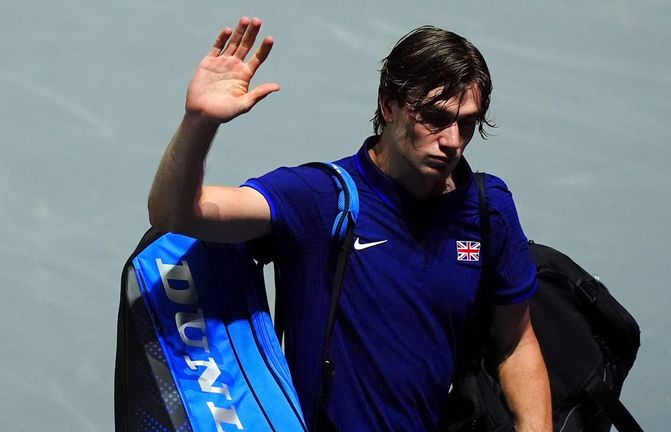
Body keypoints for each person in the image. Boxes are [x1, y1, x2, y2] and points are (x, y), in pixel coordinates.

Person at [148, 16, 552, 431]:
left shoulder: (488, 210)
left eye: (466, 122)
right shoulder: (320, 200)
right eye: (434, 117)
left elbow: (515, 341)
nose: (452, 140)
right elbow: (176, 213)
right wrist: (199, 122)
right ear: (389, 105)